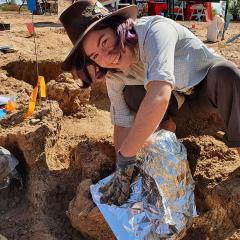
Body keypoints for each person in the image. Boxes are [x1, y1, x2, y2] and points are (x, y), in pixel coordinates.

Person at [59, 0, 240, 206]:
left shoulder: (155, 31)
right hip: (176, 108)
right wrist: (122, 171)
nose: (107, 57)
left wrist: (127, 156)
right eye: (95, 56)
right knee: (131, 93)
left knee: (227, 74)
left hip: (205, 93)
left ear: (119, 27)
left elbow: (159, 94)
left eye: (104, 42)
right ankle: (166, 131)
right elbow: (122, 121)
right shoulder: (114, 74)